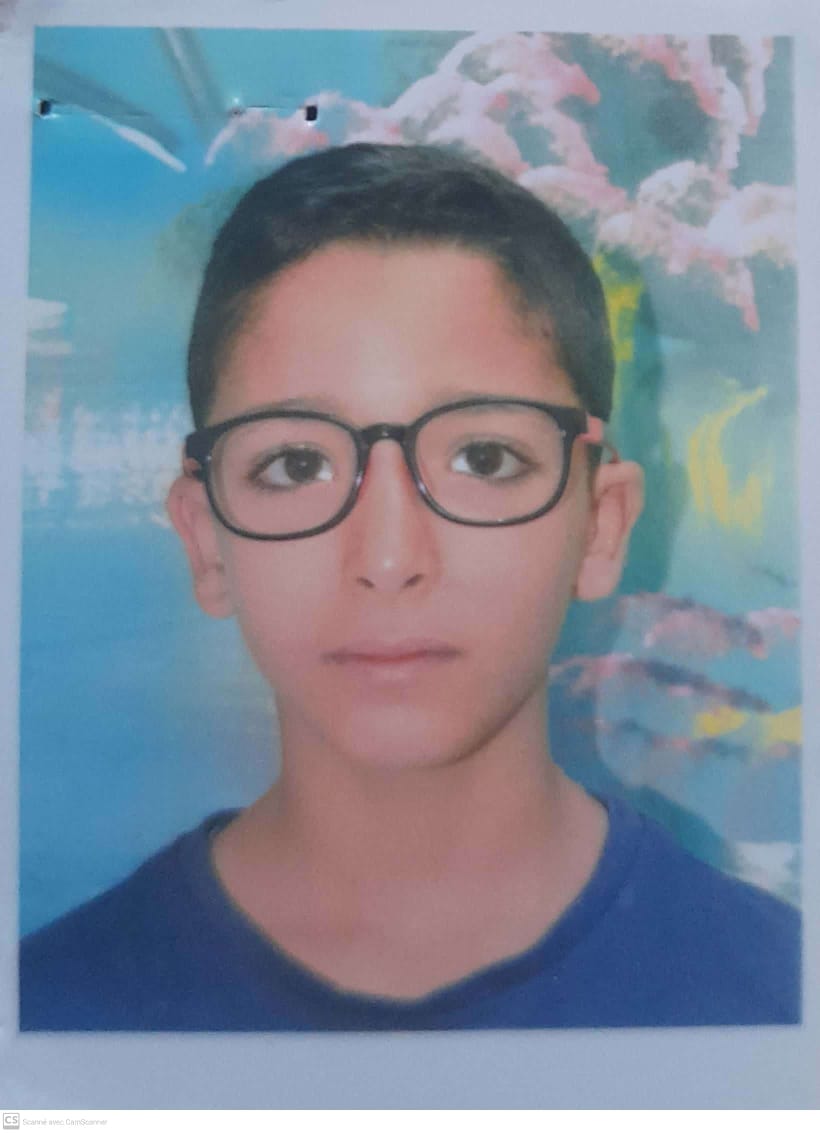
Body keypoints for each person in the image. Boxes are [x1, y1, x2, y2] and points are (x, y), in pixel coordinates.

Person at [20, 143, 800, 1031]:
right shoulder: (48, 1025)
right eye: (297, 463)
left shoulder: (776, 1006)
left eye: (484, 457)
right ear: (206, 541)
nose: (390, 558)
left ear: (601, 525)